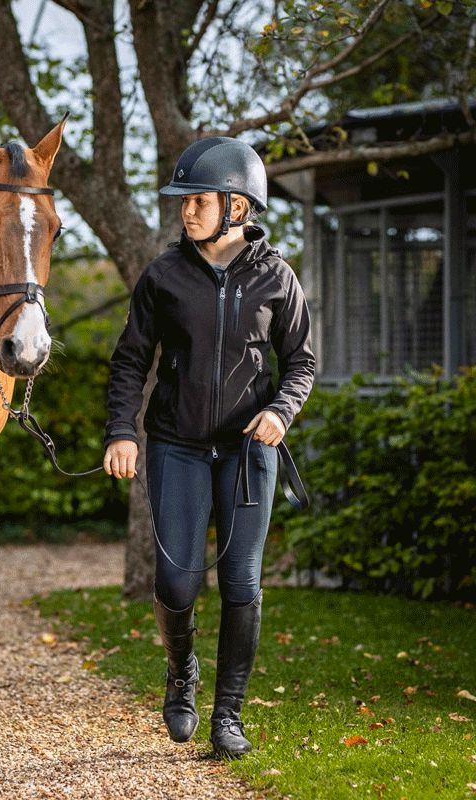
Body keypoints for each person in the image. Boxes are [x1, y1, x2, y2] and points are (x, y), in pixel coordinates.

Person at [102, 137, 315, 758]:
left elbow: (300, 362)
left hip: (250, 454)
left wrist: (280, 411)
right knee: (176, 582)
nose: (186, 212)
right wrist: (122, 430)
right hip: (178, 448)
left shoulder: (277, 277)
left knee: (242, 584)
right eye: (183, 202)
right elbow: (129, 362)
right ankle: (181, 671)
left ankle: (228, 715)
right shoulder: (164, 274)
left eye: (198, 200)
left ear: (238, 208)